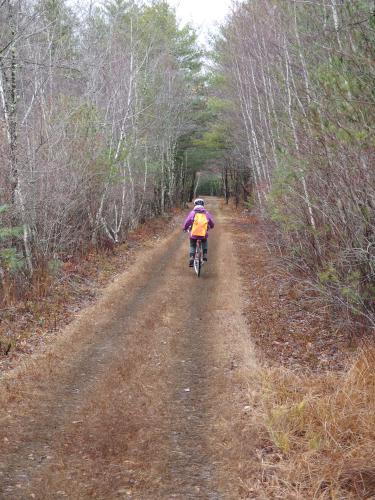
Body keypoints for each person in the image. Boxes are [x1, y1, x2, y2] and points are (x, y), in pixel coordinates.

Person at [183, 198, 215, 267]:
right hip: (203, 234)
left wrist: (185, 228)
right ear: (203, 205)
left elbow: (187, 222)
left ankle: (191, 257)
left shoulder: (193, 213)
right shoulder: (206, 213)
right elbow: (211, 222)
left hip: (194, 234)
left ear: (195, 205)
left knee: (192, 245)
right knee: (204, 241)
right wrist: (211, 226)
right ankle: (205, 254)